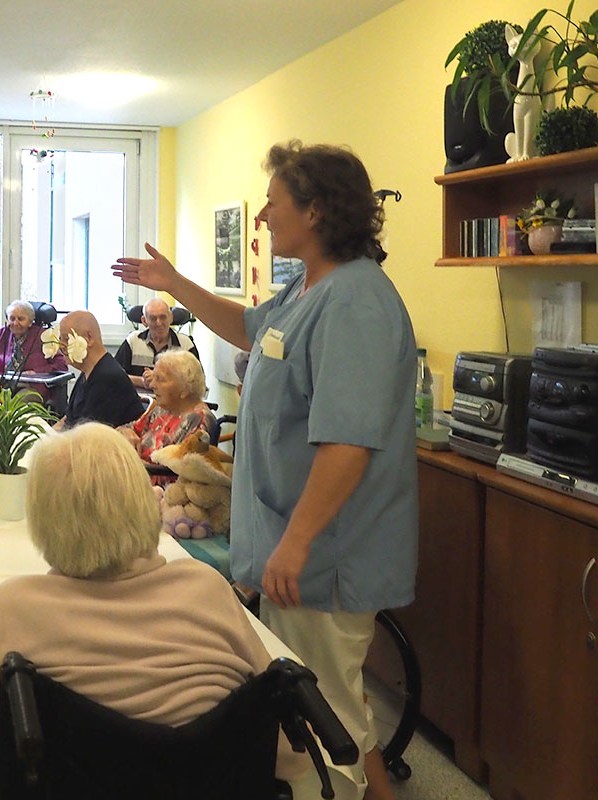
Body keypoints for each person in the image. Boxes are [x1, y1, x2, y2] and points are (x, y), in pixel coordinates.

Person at [112, 140, 416, 800]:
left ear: (316, 210)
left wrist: (298, 542)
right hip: (296, 540)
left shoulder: (355, 303)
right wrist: (176, 285)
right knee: (329, 698)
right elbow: (252, 328)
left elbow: (349, 443)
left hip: (327, 551)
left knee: (326, 721)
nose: (263, 216)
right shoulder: (309, 285)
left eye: (273, 203)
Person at [0, 423, 307, 783]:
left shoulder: (12, 611)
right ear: (147, 503)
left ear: (43, 520)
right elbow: (292, 752)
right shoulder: (209, 590)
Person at [118, 350, 210, 467]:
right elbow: (129, 428)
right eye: (153, 378)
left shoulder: (198, 419)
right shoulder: (162, 409)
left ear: (185, 388)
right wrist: (126, 432)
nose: (152, 385)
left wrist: (135, 464)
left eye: (160, 379)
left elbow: (182, 470)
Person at [54, 310, 142, 429]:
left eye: (66, 339)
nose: (61, 345)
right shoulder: (87, 373)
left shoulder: (108, 378)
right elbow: (68, 419)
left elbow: (89, 435)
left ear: (89, 338)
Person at [114, 296, 200, 390]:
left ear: (171, 318)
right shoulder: (133, 341)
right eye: (153, 318)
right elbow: (116, 375)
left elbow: (197, 382)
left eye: (163, 317)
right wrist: (142, 381)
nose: (159, 323)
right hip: (139, 397)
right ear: (144, 321)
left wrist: (160, 379)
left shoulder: (186, 344)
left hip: (173, 398)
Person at [0, 299, 67, 377]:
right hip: (0, 383)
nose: (15, 323)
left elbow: (61, 365)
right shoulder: (1, 334)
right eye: (12, 318)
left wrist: (37, 372)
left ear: (30, 322)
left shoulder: (42, 336)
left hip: (31, 384)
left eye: (21, 319)